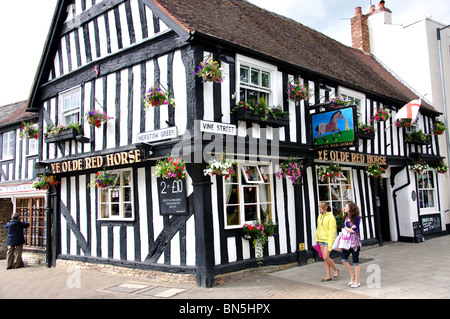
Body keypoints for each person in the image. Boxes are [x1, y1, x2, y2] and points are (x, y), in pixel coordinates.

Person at [314, 201, 339, 282]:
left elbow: (332, 230)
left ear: (326, 208)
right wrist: (317, 237)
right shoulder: (320, 216)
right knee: (325, 259)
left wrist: (331, 243)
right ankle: (328, 276)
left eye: (321, 207)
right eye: (319, 207)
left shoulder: (330, 217)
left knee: (326, 257)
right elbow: (318, 227)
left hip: (327, 240)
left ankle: (336, 269)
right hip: (320, 239)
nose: (319, 209)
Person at [341, 201, 362, 288]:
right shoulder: (346, 217)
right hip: (346, 242)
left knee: (355, 262)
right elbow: (344, 228)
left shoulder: (356, 218)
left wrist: (347, 228)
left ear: (351, 208)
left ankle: (357, 281)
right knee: (343, 260)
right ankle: (352, 275)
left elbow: (354, 230)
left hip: (354, 243)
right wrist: (348, 228)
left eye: (346, 206)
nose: (344, 208)